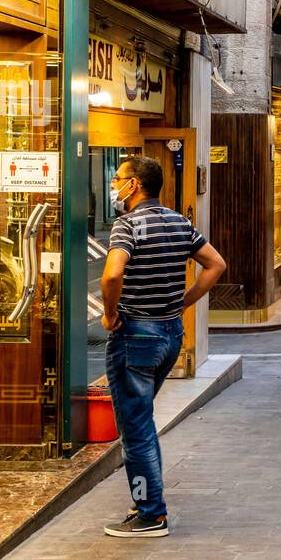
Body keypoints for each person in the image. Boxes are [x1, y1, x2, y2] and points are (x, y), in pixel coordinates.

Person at [101, 155, 226, 536]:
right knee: (141, 421)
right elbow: (216, 264)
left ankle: (152, 513)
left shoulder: (127, 226)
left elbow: (112, 272)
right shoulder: (178, 222)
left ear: (135, 184)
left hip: (135, 336)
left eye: (119, 178)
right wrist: (184, 301)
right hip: (170, 334)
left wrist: (109, 313)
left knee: (136, 428)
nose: (114, 184)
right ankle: (146, 500)